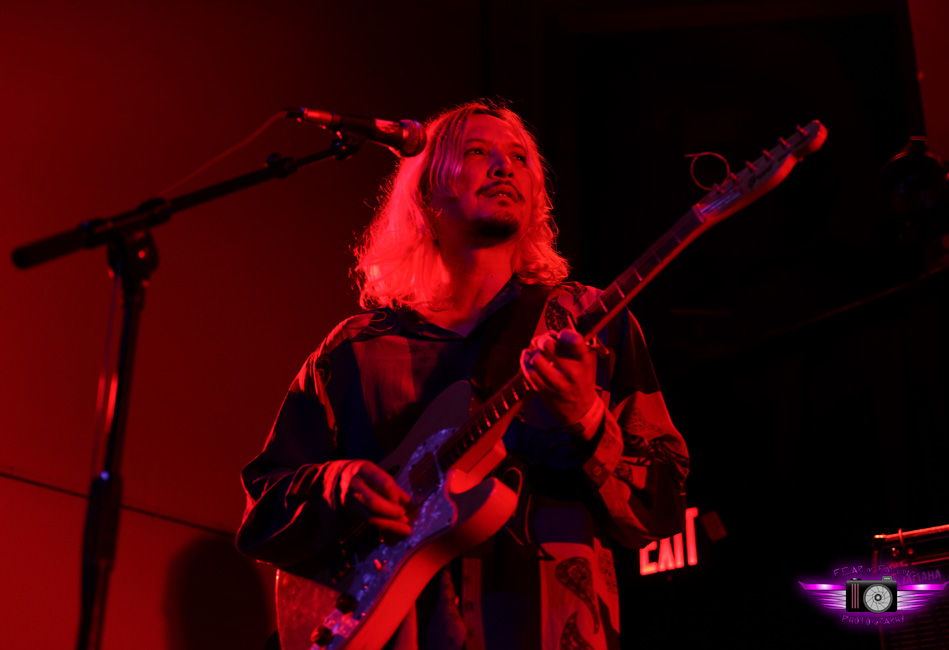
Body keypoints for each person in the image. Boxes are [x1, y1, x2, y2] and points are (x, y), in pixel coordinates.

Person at [236, 99, 689, 650]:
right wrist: (340, 485)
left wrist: (587, 418)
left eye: (520, 159)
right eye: (478, 152)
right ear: (427, 191)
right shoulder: (354, 350)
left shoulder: (588, 323)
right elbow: (262, 510)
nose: (504, 168)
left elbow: (661, 507)